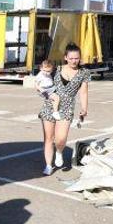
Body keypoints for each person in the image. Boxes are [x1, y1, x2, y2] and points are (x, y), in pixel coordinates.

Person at [39, 44, 90, 175]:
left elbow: (83, 92)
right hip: (50, 105)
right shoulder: (56, 69)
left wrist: (84, 108)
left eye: (77, 58)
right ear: (65, 57)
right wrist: (41, 90)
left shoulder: (83, 73)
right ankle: (48, 165)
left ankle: (59, 151)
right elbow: (42, 78)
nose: (74, 61)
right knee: (48, 138)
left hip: (67, 107)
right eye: (71, 58)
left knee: (61, 138)